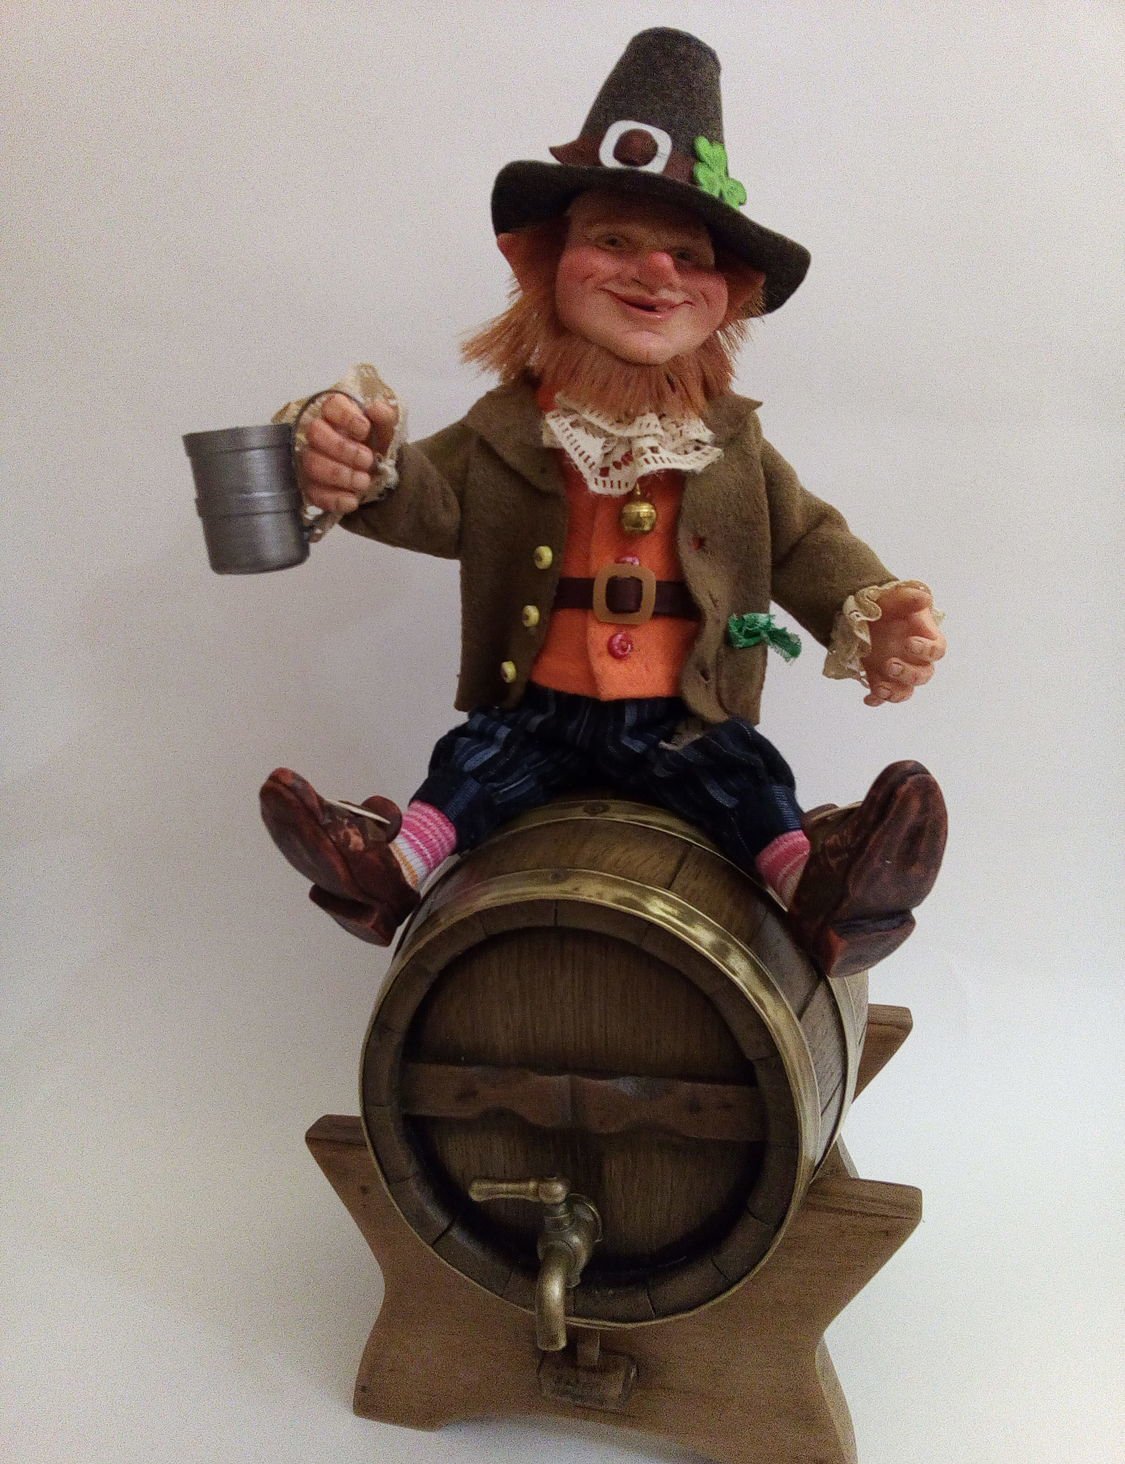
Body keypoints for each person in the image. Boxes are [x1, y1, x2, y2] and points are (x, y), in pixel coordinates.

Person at [260, 28, 947, 979]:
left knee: (745, 785)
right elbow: (428, 500)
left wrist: (870, 609)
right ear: (539, 262)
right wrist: (351, 457)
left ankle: (820, 888)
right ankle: (392, 867)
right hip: (539, 705)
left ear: (729, 295)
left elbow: (803, 541)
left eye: (688, 254)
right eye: (614, 241)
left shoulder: (730, 442)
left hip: (684, 712)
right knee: (473, 769)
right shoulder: (511, 427)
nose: (654, 273)